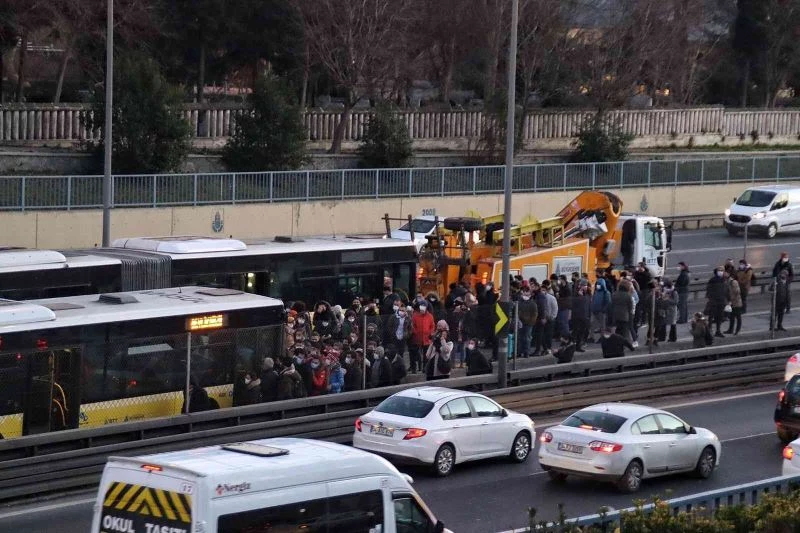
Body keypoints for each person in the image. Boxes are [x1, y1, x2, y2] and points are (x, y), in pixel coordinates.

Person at [410, 301, 435, 373]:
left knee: (426, 355)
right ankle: (414, 368)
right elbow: (412, 325)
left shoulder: (430, 316)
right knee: (414, 355)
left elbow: (432, 326)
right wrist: (415, 332)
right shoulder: (415, 315)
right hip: (416, 338)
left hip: (426, 339)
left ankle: (425, 368)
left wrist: (430, 333)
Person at [705, 267, 727, 337]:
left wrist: (727, 299)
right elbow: (709, 290)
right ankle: (709, 330)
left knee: (719, 317)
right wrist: (711, 299)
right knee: (711, 316)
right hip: (714, 301)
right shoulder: (712, 280)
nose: (721, 272)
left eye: (722, 271)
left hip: (721, 301)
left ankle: (718, 331)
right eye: (719, 271)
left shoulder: (724, 279)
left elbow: (726, 290)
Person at [517, 286, 538, 357]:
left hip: (528, 323)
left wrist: (531, 322)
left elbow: (535, 314)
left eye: (527, 292)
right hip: (520, 322)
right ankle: (519, 352)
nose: (525, 294)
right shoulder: (519, 302)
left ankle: (526, 352)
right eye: (524, 292)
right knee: (520, 338)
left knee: (527, 338)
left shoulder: (532, 303)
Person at [571, 284, 591, 351]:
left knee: (581, 332)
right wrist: (581, 296)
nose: (584, 287)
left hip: (584, 316)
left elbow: (588, 305)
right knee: (576, 331)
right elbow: (573, 303)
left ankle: (578, 346)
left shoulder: (587, 295)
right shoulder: (576, 296)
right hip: (577, 316)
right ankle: (573, 346)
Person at [590, 277, 611, 342]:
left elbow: (608, 302)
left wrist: (603, 310)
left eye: (599, 284)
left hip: (601, 312)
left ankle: (602, 337)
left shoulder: (606, 293)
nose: (597, 285)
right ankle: (592, 337)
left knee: (602, 325)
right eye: (597, 284)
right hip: (594, 311)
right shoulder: (596, 292)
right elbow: (593, 300)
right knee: (592, 325)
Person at [724, 271, 743, 335]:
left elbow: (737, 292)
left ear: (729, 274)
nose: (724, 274)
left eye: (725, 273)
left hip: (736, 302)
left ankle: (737, 330)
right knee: (732, 316)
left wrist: (731, 300)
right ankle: (730, 330)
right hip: (731, 302)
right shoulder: (727, 281)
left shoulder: (733, 282)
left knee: (738, 316)